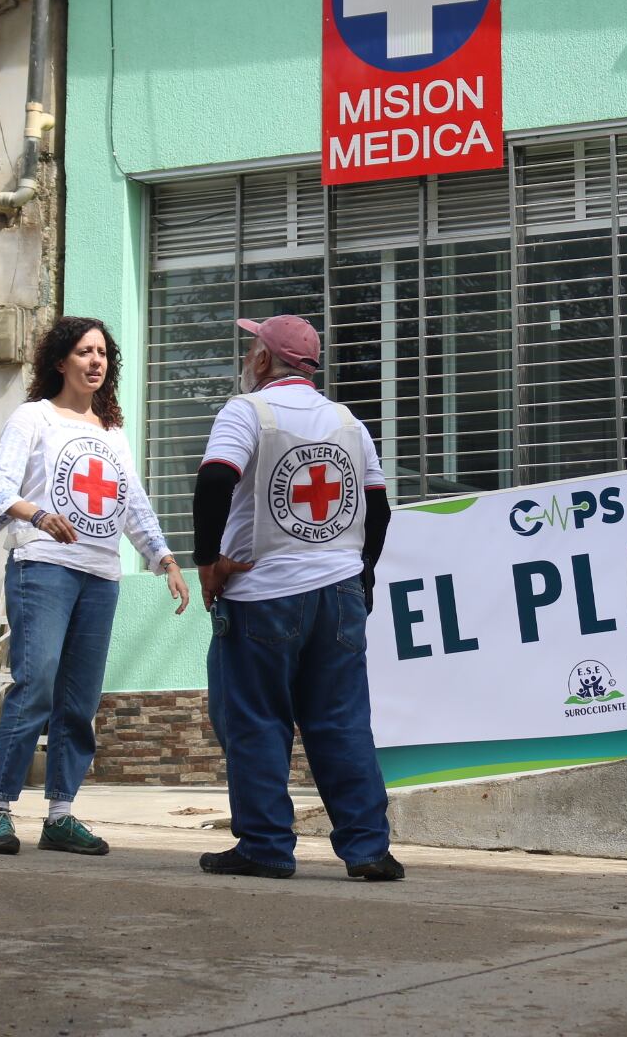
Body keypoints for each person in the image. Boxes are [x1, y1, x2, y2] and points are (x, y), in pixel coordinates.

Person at [190, 314, 400, 881]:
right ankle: (369, 851)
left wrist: (207, 562)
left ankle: (264, 846)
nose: (247, 358)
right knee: (342, 723)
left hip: (262, 594)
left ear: (263, 360)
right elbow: (377, 506)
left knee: (254, 720)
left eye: (251, 348)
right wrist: (365, 575)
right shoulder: (347, 422)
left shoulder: (247, 412)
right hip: (338, 595)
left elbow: (215, 481)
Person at [0, 316, 189, 856]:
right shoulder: (34, 418)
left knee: (80, 698)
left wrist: (164, 558)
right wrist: (37, 514)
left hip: (100, 576)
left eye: (102, 353)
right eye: (84, 352)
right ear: (60, 362)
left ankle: (60, 815)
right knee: (37, 682)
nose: (96, 361)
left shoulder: (111, 433)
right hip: (42, 568)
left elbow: (133, 504)